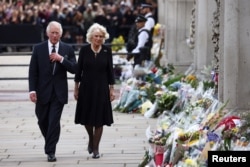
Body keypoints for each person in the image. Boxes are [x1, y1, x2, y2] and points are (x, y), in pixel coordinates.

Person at [28, 21, 77, 162]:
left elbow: (75, 68)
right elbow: (33, 72)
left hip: (58, 93)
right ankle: (50, 141)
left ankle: (51, 151)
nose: (55, 35)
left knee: (53, 121)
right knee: (42, 120)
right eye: (52, 33)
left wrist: (61, 59)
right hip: (42, 92)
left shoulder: (67, 49)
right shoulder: (38, 48)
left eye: (57, 33)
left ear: (61, 34)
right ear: (47, 33)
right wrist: (32, 90)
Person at [74, 23, 115, 159]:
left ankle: (96, 148)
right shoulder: (84, 50)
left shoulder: (106, 51)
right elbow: (79, 69)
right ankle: (91, 139)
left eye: (101, 36)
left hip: (102, 88)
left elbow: (110, 71)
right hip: (86, 88)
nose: (98, 39)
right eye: (96, 36)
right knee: (87, 118)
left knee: (99, 119)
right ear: (91, 37)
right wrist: (76, 87)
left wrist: (112, 89)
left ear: (104, 38)